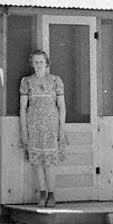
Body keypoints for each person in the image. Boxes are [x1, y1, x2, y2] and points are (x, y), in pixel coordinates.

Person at [19, 49, 67, 206]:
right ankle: (42, 194)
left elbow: (62, 107)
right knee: (37, 161)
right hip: (34, 126)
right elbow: (22, 108)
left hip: (51, 126)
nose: (38, 65)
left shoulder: (55, 81)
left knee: (50, 162)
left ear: (47, 64)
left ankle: (52, 195)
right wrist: (24, 132)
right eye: (35, 62)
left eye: (41, 62)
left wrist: (61, 129)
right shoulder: (26, 82)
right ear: (31, 64)